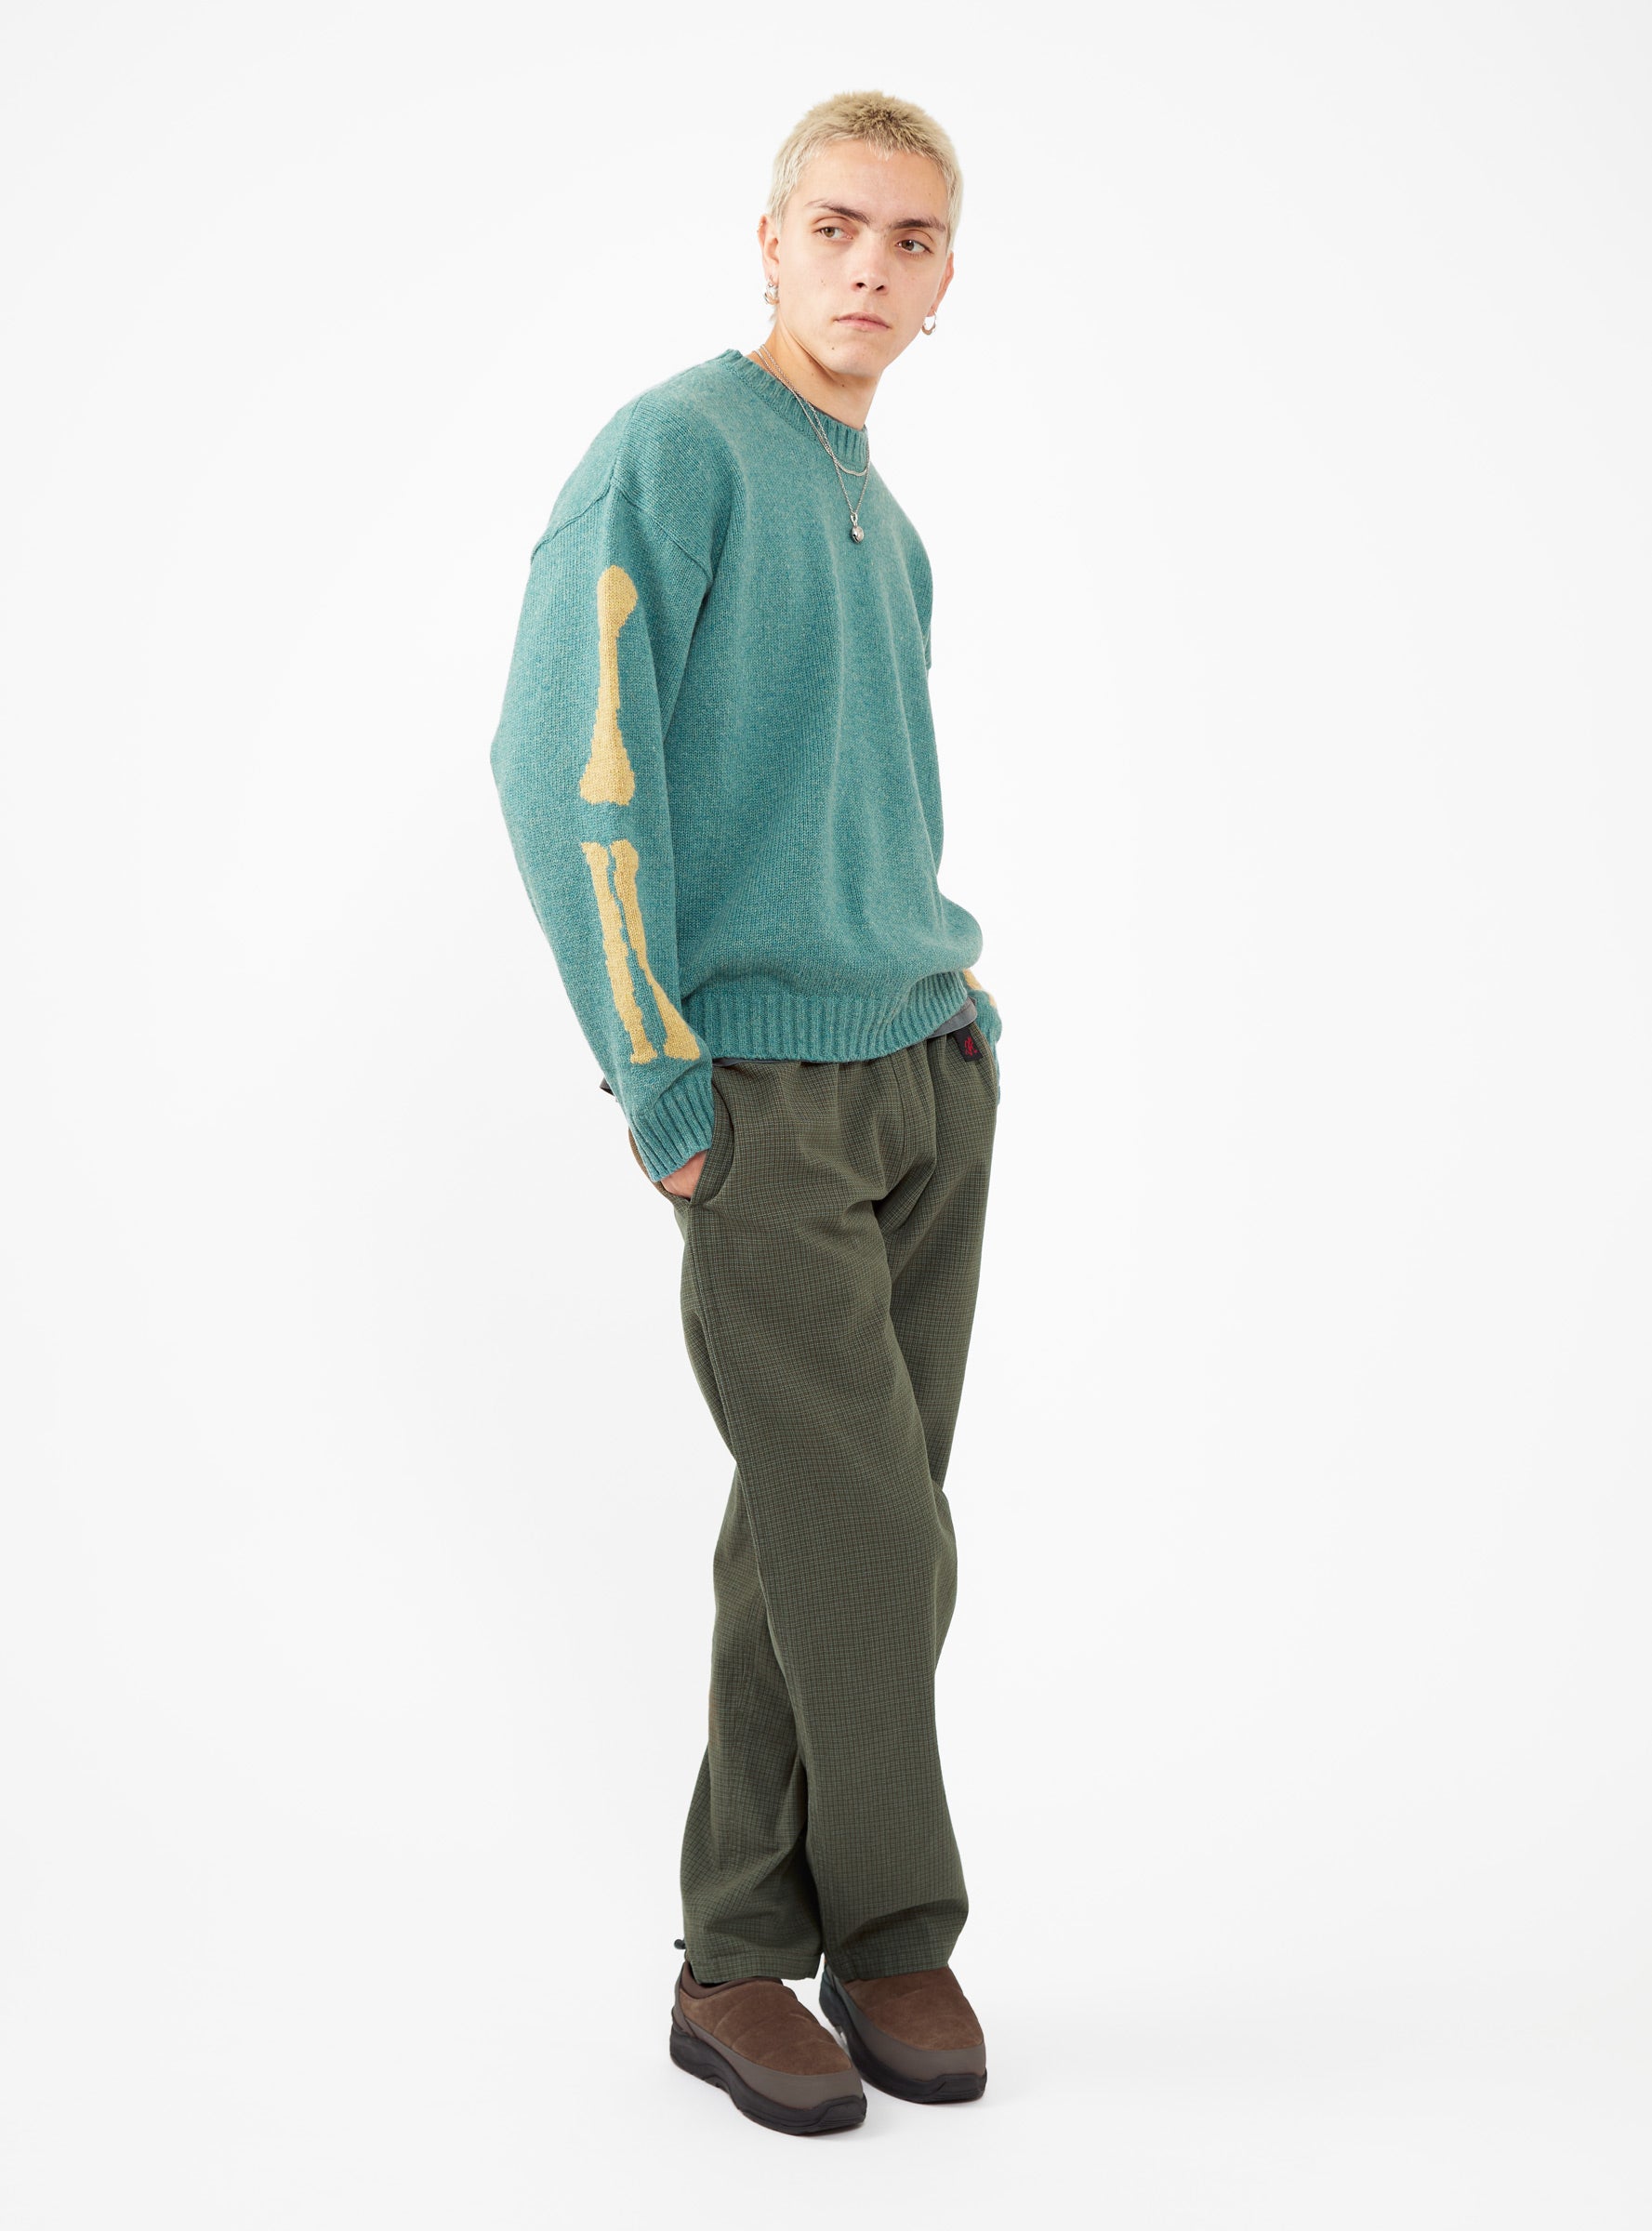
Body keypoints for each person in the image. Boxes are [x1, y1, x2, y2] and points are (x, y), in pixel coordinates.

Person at [488, 88, 1004, 2136]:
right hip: (764, 1099)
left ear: (947, 282)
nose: (870, 267)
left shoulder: (889, 518)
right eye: (838, 228)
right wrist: (659, 1075)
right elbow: (565, 756)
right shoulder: (675, 451)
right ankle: (858, 1933)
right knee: (874, 1543)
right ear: (770, 242)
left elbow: (864, 801)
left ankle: (769, 1953)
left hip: (924, 1074)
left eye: (911, 239)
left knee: (816, 1537)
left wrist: (953, 1010)